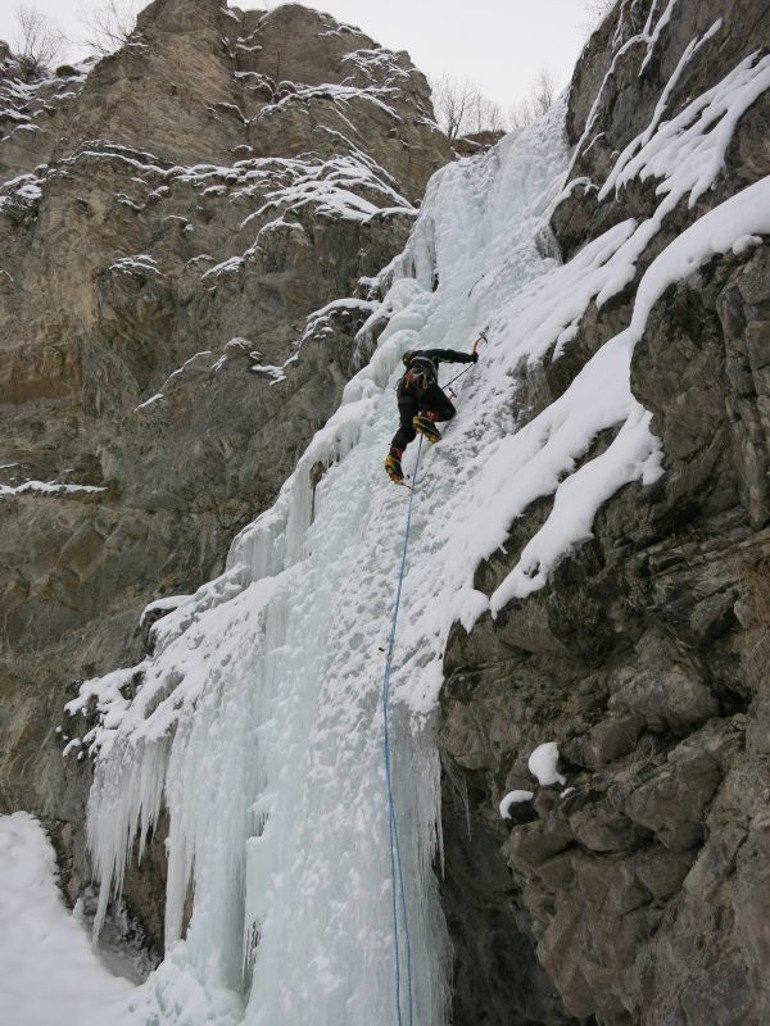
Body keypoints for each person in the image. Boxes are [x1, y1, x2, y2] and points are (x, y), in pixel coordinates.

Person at [384, 346, 478, 483]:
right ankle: (427, 417)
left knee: (407, 428)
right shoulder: (428, 354)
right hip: (422, 379)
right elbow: (449, 355)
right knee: (448, 410)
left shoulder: (406, 372)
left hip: (403, 391)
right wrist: (470, 358)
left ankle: (394, 457)